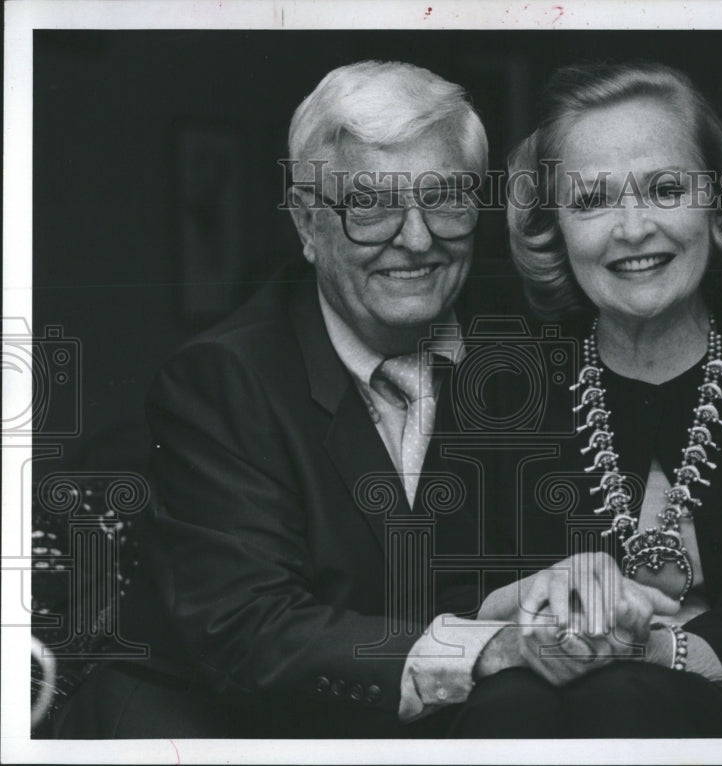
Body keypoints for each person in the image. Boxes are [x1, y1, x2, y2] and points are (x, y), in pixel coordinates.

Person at [50, 60, 538, 738]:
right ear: (309, 224)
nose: (419, 237)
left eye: (447, 197)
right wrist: (484, 645)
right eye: (370, 204)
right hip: (213, 731)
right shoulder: (221, 381)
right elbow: (252, 631)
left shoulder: (519, 351)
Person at [457, 61, 722, 737]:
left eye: (664, 189)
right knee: (508, 707)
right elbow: (457, 601)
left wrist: (648, 648)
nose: (632, 228)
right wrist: (535, 607)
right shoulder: (507, 396)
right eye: (592, 200)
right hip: (549, 701)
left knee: (621, 697)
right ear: (553, 229)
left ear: (718, 202)